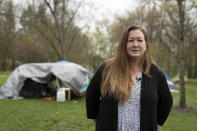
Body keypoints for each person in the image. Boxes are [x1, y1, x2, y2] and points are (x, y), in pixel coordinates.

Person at [86, 25, 173, 131]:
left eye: (140, 40)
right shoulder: (107, 68)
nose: (135, 44)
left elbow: (167, 101)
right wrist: (100, 119)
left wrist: (151, 121)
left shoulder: (155, 73)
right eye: (131, 40)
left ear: (146, 45)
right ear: (124, 44)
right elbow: (91, 95)